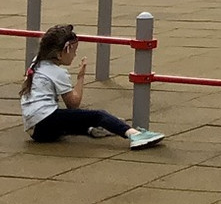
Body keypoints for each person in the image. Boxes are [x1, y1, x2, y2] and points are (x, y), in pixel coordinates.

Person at [20, 24, 163, 148]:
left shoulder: (36, 62)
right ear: (59, 54)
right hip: (44, 122)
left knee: (74, 118)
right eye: (73, 51)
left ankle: (93, 129)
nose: (75, 55)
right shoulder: (57, 72)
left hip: (35, 129)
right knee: (98, 115)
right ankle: (134, 135)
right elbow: (73, 104)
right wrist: (81, 77)